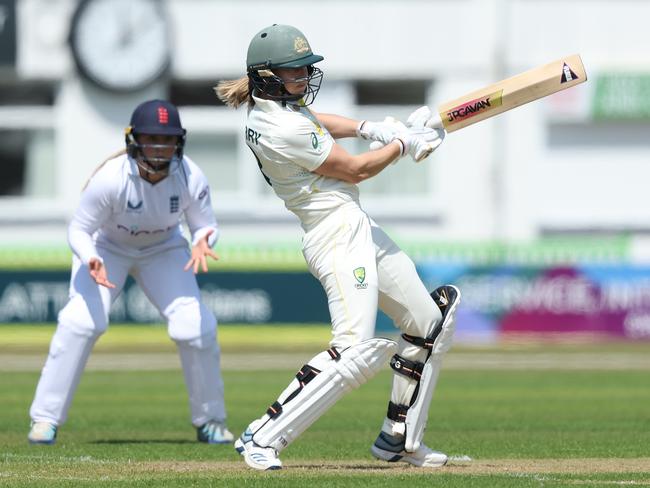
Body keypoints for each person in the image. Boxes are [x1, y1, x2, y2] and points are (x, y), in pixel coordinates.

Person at [216, 24, 461, 471]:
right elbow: (354, 171)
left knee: (428, 321)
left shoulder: (276, 109)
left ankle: (398, 438)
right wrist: (403, 145)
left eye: (305, 70)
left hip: (353, 225)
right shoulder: (279, 125)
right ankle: (264, 436)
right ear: (266, 75)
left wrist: (372, 128)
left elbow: (319, 123)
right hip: (334, 234)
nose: (304, 78)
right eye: (295, 72)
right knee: (354, 348)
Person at [27, 99, 234, 446]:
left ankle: (210, 421)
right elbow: (79, 229)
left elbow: (205, 225)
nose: (160, 147)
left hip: (164, 248)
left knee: (197, 327)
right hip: (106, 248)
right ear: (134, 140)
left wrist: (202, 239)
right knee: (81, 322)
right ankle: (45, 420)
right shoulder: (110, 179)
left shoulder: (190, 176)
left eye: (167, 140)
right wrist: (90, 256)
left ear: (178, 142)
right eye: (152, 138)